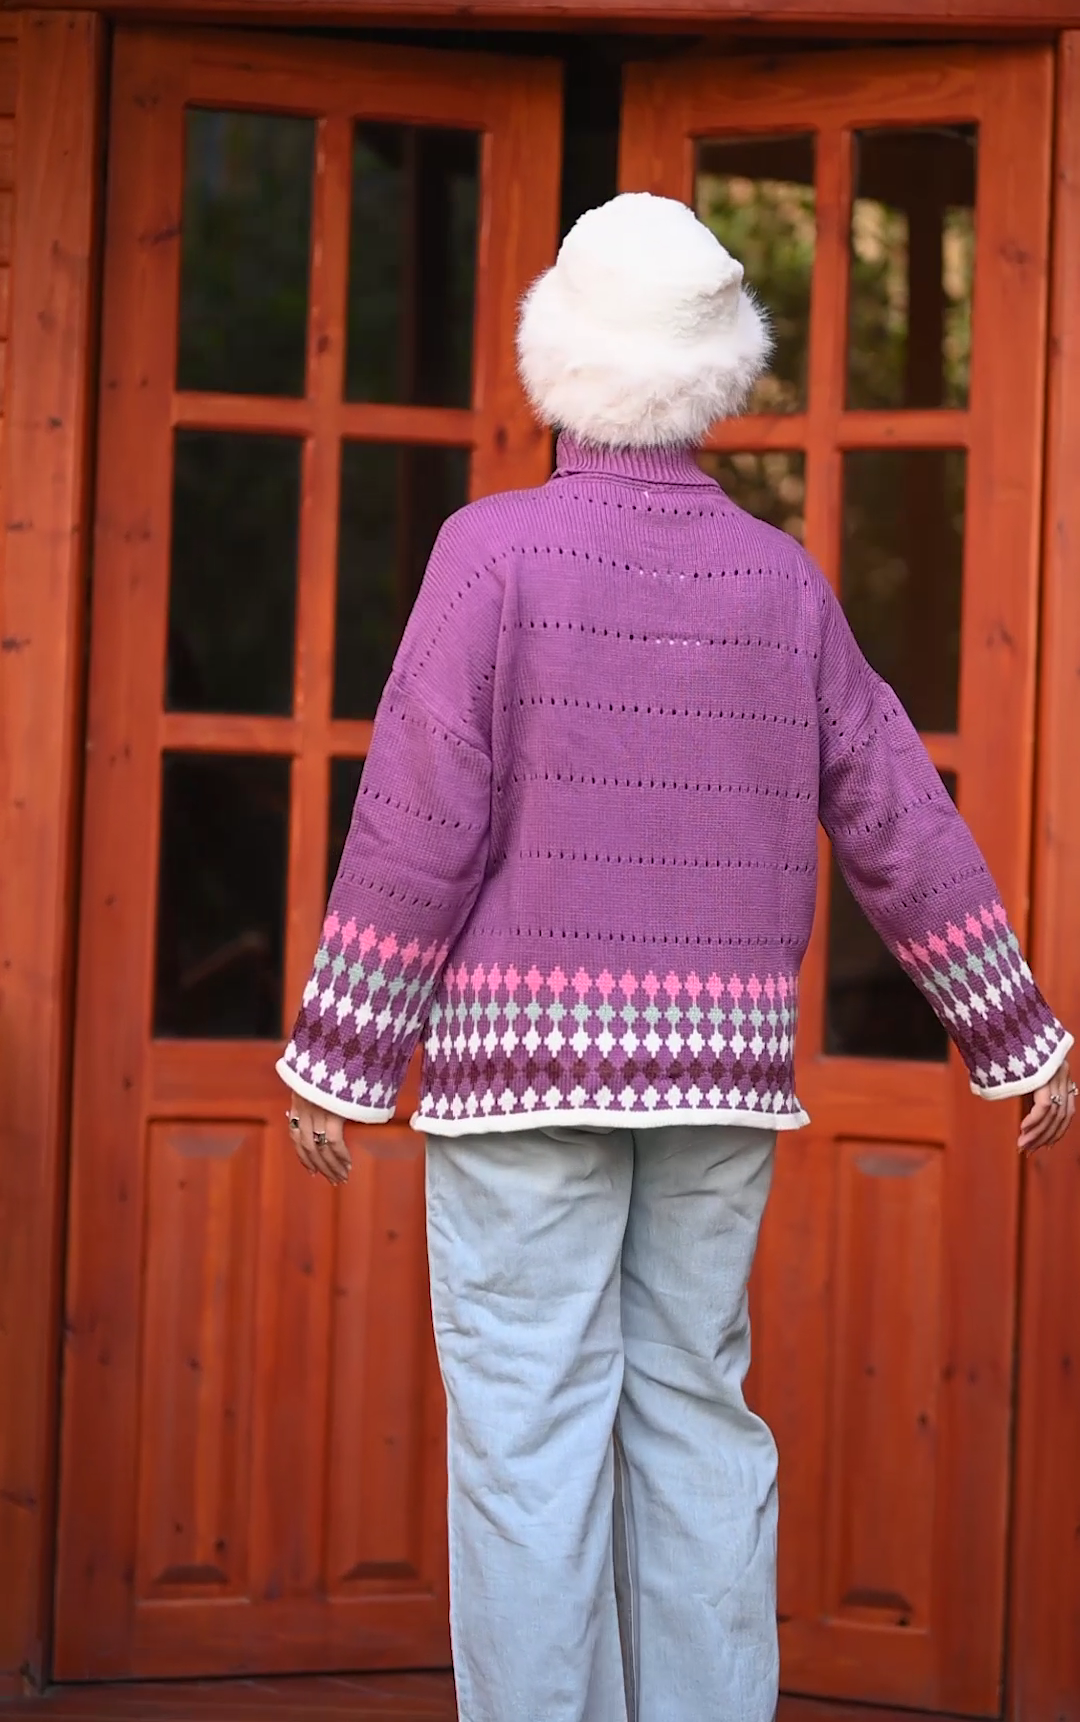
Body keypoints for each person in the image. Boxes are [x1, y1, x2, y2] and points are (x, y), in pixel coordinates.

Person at [279, 193, 1074, 1722]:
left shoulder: (487, 556)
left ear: (561, 362)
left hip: (520, 1084)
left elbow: (419, 819)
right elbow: (898, 808)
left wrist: (341, 1055)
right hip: (719, 1079)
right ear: (718, 374)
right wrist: (1016, 1030)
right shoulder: (780, 583)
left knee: (528, 1436)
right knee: (700, 1423)